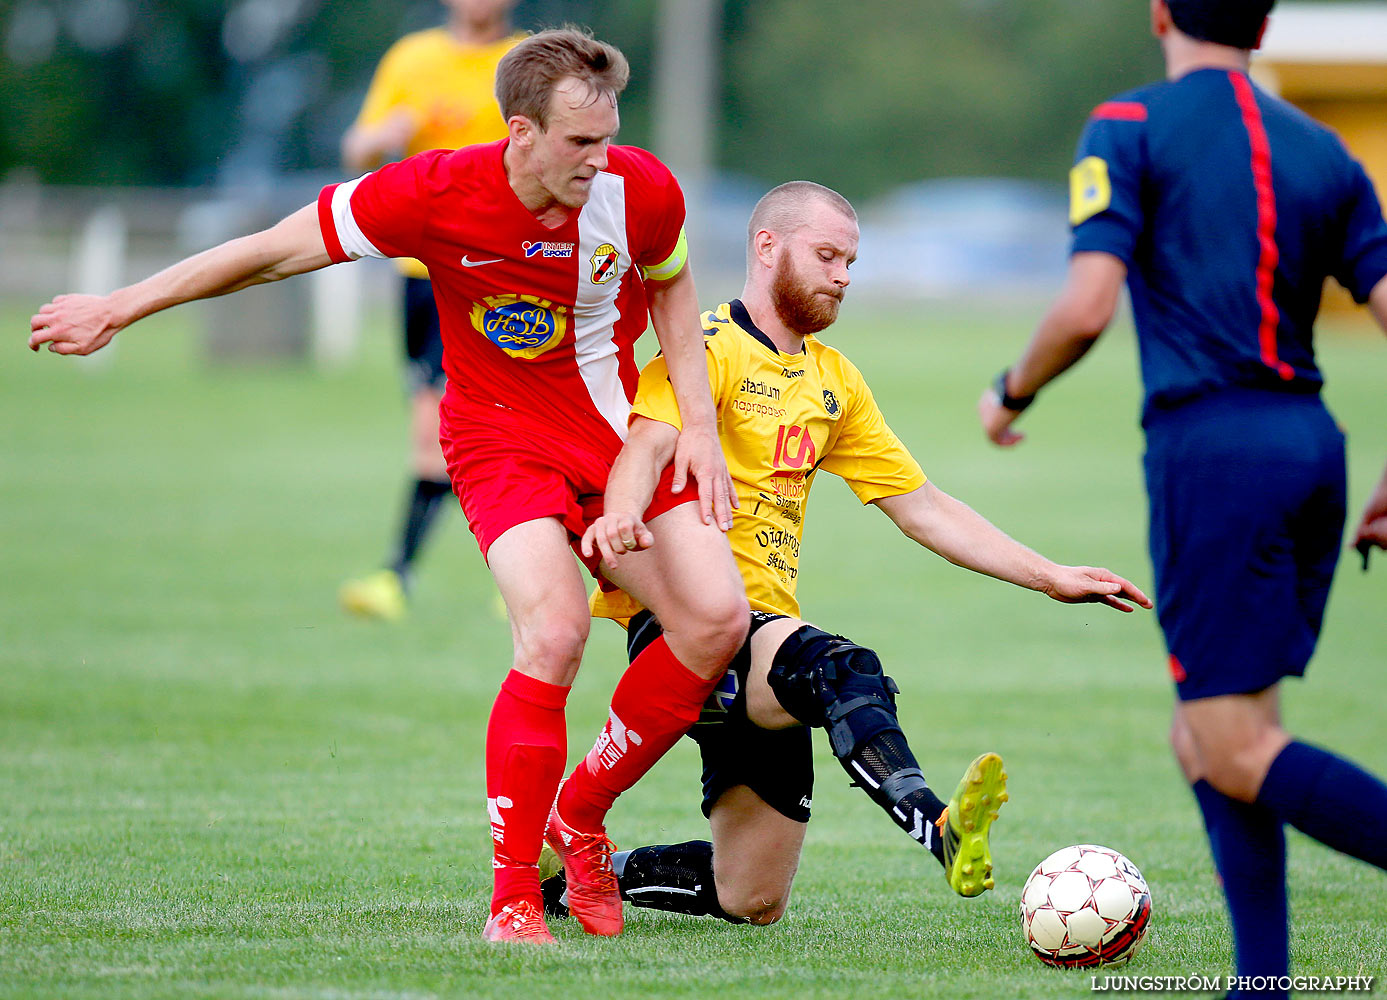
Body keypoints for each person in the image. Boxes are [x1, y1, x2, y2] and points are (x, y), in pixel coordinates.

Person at [29, 28, 752, 946]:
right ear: (519, 132)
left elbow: (674, 291)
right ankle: (512, 897)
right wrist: (120, 305)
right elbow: (269, 251)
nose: (597, 161)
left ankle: (579, 815)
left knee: (715, 620)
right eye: (577, 143)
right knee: (557, 632)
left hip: (614, 439)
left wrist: (695, 429)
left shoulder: (638, 188)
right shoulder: (433, 191)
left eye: (606, 138)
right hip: (498, 440)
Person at [538, 181, 1151, 927]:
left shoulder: (835, 381)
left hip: (766, 639)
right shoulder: (703, 346)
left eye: (850, 261)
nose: (843, 276)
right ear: (767, 247)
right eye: (827, 255)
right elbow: (648, 439)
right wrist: (626, 513)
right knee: (840, 669)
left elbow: (922, 507)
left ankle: (571, 877)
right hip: (685, 626)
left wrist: (1048, 575)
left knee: (751, 898)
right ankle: (938, 825)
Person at [977, 2, 1387, 995]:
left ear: (1159, 11)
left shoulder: (1127, 125)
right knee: (1211, 732)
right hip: (1310, 448)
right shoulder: (1324, 148)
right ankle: (1262, 982)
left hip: (1214, 454)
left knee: (1232, 740)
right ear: (1264, 18)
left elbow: (1084, 305)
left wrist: (1011, 390)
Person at [337, 0, 525, 621]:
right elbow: (356, 149)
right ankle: (400, 577)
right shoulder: (412, 59)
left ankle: (524, 573)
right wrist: (385, 137)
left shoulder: (532, 60)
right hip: (426, 274)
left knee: (523, 427)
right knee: (434, 435)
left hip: (514, 271)